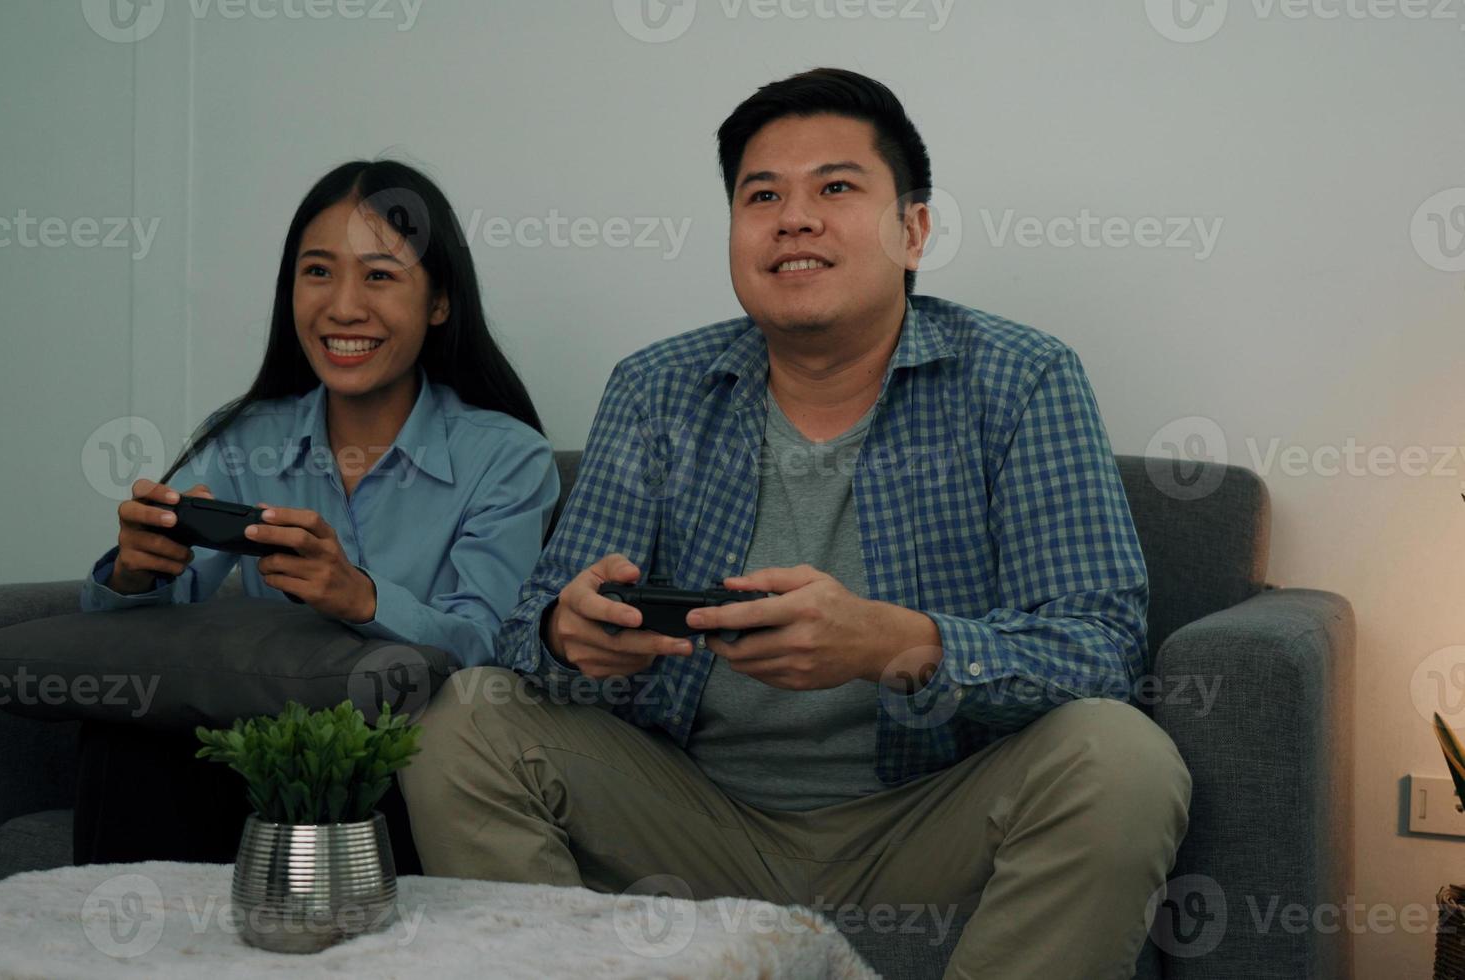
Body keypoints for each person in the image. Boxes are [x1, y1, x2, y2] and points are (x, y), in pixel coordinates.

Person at [399, 69, 1191, 979]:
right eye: (761, 194)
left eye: (837, 188)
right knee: (466, 719)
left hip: (929, 819)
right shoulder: (657, 389)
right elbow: (523, 634)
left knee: (1123, 757)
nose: (794, 217)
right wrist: (565, 632)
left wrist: (898, 644)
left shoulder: (1021, 380)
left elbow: (1102, 649)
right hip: (694, 813)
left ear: (914, 229)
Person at [72, 159, 559, 867]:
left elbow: (493, 646)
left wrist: (359, 596)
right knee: (124, 728)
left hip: (417, 757)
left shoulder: (508, 457)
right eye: (318, 272)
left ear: (440, 302)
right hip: (267, 748)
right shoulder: (243, 438)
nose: (342, 307)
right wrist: (135, 574)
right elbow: (154, 635)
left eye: (381, 276)